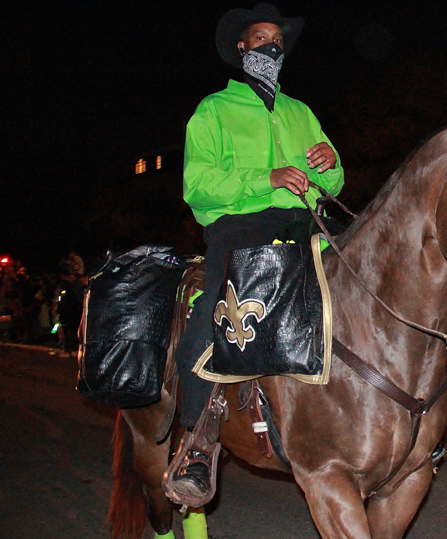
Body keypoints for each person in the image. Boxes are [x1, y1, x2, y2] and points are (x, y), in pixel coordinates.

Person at [168, 2, 345, 505]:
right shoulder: (213, 111)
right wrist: (263, 179)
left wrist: (330, 164)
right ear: (242, 47)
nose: (272, 46)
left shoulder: (300, 112)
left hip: (306, 219)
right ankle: (198, 442)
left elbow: (332, 181)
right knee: (212, 319)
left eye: (278, 40)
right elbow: (197, 185)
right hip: (241, 225)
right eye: (262, 38)